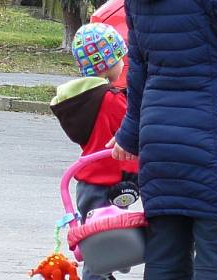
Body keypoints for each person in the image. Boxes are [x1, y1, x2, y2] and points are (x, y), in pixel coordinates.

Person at [111, 0, 217, 278]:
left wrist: (130, 132)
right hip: (216, 140)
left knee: (164, 257)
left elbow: (138, 61)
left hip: (161, 142)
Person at [50, 22, 139, 280]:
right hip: (112, 179)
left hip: (90, 182)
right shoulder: (111, 100)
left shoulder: (85, 101)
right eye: (120, 57)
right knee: (100, 251)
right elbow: (131, 131)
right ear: (109, 63)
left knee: (97, 243)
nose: (124, 62)